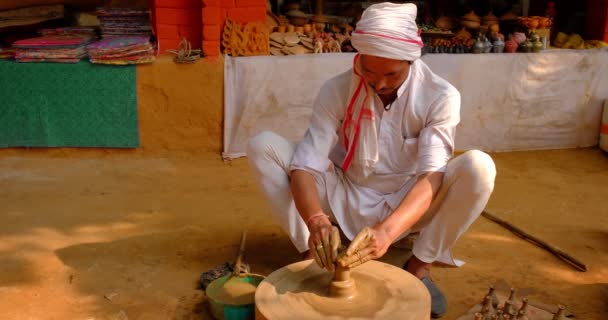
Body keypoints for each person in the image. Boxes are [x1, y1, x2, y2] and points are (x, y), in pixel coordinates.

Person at [247, 2, 496, 318]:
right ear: (359, 58)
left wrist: (388, 232)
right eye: (368, 71)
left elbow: (431, 176)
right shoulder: (336, 89)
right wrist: (316, 221)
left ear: (411, 60)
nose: (378, 84)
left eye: (391, 74)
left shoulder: (440, 96)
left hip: (405, 200)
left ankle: (420, 266)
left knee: (479, 168)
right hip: (344, 190)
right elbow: (306, 166)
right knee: (263, 146)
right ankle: (313, 256)